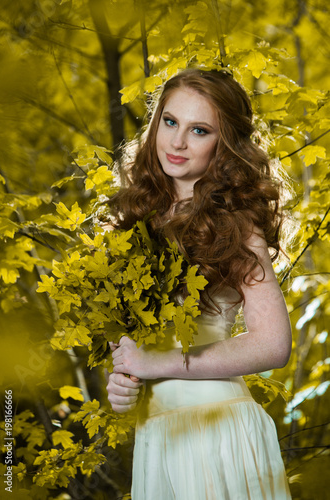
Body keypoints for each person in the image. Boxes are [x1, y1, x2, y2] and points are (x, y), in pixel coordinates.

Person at [105, 68, 292, 499]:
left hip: (215, 431)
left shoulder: (235, 226)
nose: (177, 142)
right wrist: (124, 383)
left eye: (199, 130)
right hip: (157, 436)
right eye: (169, 122)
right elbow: (135, 351)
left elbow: (273, 345)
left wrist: (157, 364)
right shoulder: (137, 224)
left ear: (223, 145)